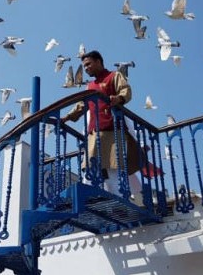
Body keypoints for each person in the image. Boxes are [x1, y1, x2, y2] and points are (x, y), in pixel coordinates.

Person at [61, 50, 143, 197]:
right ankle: (91, 198)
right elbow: (81, 105)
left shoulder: (114, 76)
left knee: (113, 167)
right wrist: (66, 117)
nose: (86, 68)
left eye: (88, 64)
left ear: (98, 61)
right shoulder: (90, 85)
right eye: (84, 66)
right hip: (94, 132)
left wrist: (118, 98)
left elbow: (126, 90)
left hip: (113, 130)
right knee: (91, 168)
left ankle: (119, 201)